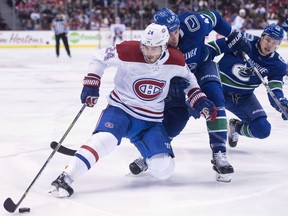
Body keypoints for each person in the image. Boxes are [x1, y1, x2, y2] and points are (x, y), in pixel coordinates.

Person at [48, 23, 217, 197]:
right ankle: (66, 177)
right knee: (105, 139)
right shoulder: (128, 50)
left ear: (164, 46)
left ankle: (147, 155)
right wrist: (92, 81)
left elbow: (190, 81)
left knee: (164, 169)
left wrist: (199, 99)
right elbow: (98, 58)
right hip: (121, 110)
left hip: (151, 121)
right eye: (146, 47)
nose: (148, 52)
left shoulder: (176, 60)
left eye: (154, 48)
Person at [129, 8, 251, 182]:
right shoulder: (154, 42)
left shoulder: (194, 23)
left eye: (175, 31)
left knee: (216, 102)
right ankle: (152, 153)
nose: (173, 38)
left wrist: (232, 34)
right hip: (177, 80)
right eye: (168, 34)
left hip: (202, 66)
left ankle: (219, 154)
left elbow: (215, 17)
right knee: (176, 120)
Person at [207, 23, 288, 147]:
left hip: (244, 98)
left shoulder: (278, 65)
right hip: (216, 89)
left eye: (275, 43)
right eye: (268, 40)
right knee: (186, 108)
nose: (270, 45)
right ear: (262, 37)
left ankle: (236, 127)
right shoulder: (242, 41)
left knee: (262, 130)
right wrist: (200, 64)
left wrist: (281, 103)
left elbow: (275, 89)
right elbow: (213, 48)